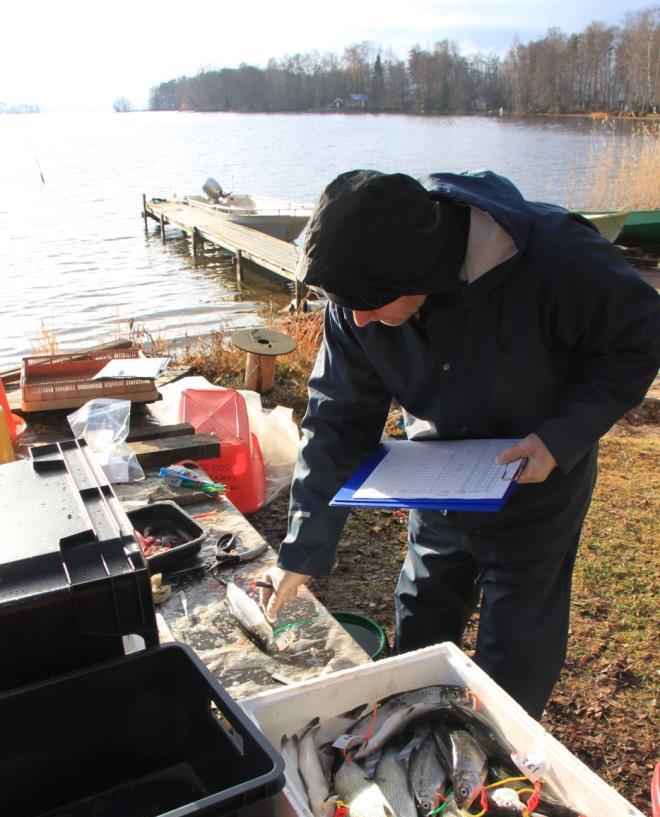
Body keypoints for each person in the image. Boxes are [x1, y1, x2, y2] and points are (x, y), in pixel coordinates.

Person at [261, 169, 659, 717]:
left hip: (537, 479)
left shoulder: (558, 256)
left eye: (372, 302)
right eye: (344, 303)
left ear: (426, 269)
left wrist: (559, 437)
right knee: (422, 615)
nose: (359, 317)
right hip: (436, 475)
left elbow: (638, 338)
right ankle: (414, 731)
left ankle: (501, 758)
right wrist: (302, 551)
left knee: (516, 646)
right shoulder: (359, 291)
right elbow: (337, 420)